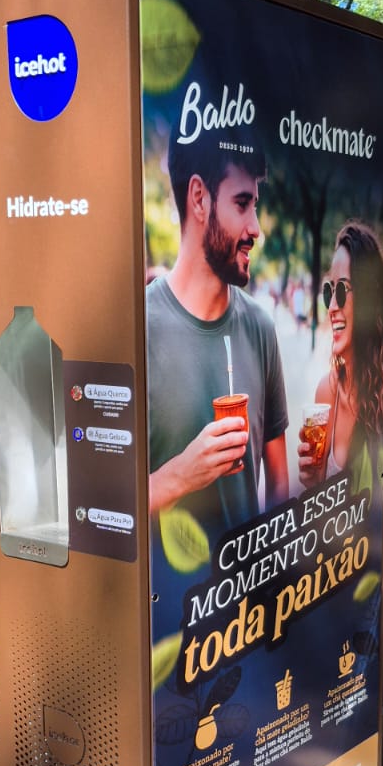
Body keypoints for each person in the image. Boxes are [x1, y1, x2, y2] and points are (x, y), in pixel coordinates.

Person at [147, 131, 289, 539]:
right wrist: (180, 475)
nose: (256, 228)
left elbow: (278, 483)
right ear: (199, 197)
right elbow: (102, 511)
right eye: (242, 204)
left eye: (255, 206)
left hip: (246, 599)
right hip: (169, 601)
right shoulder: (140, 330)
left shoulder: (260, 327)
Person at [298, 220, 383, 487]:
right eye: (329, 291)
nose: (332, 307)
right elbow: (320, 497)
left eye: (342, 290)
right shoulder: (326, 392)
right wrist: (312, 479)